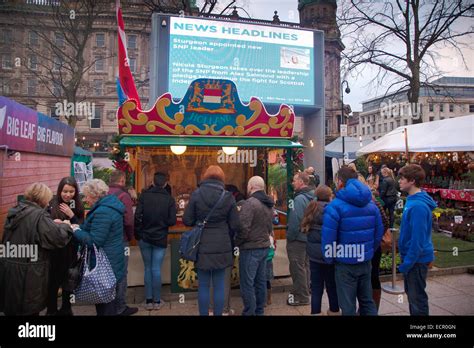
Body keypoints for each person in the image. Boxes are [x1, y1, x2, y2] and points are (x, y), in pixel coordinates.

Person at [0, 183, 72, 316]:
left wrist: (51, 225)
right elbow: (57, 238)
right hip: (29, 274)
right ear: (44, 198)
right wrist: (65, 226)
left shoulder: (16, 210)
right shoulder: (39, 215)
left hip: (10, 269)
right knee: (29, 311)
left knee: (13, 308)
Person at [321, 166, 384, 316]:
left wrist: (330, 259)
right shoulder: (372, 205)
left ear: (340, 181)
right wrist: (368, 251)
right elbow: (378, 233)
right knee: (367, 301)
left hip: (345, 263)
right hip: (365, 260)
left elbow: (328, 238)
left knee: (347, 305)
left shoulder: (335, 206)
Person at [183, 165, 240, 316]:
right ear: (222, 178)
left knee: (203, 285)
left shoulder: (196, 194)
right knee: (219, 285)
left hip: (201, 245)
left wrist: (199, 221)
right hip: (222, 244)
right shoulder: (228, 196)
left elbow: (187, 220)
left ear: (205, 177)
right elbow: (235, 224)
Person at [71, 179, 125, 316]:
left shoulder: (103, 212)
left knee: (105, 305)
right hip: (111, 261)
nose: (85, 199)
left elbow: (94, 241)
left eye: (87, 195)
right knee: (106, 301)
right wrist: (78, 227)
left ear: (95, 195)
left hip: (105, 265)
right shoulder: (108, 207)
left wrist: (75, 231)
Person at [135, 172, 177, 311]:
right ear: (165, 183)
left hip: (145, 237)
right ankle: (157, 301)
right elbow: (172, 221)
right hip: (160, 238)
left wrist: (138, 234)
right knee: (156, 268)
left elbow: (137, 217)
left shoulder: (144, 196)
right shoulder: (169, 199)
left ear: (152, 182)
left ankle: (148, 300)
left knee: (147, 268)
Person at [398, 164, 436, 316]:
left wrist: (407, 263)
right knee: (414, 298)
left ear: (412, 181)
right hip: (413, 259)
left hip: (416, 261)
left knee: (417, 300)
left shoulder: (418, 206)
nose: (399, 181)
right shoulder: (412, 200)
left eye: (402, 178)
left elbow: (418, 240)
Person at [46, 177, 85, 316]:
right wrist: (54, 223)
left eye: (71, 191)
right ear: (59, 190)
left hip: (71, 249)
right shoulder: (51, 203)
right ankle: (51, 310)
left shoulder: (78, 205)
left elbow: (81, 226)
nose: (68, 195)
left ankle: (66, 309)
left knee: (69, 279)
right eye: (65, 191)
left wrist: (72, 215)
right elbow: (44, 225)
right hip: (55, 250)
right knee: (53, 281)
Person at [236, 176, 274, 316]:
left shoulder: (250, 203)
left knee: (247, 283)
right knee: (260, 282)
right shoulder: (269, 204)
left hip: (250, 248)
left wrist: (237, 242)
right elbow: (270, 228)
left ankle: (249, 312)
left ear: (251, 187)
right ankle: (259, 311)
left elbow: (243, 228)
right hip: (264, 247)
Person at [301, 185, 340, 316]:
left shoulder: (311, 208)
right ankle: (334, 310)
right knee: (332, 286)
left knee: (316, 287)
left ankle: (315, 312)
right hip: (330, 253)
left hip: (314, 256)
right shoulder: (333, 209)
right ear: (330, 196)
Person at [108, 170, 138, 316]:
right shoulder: (124, 196)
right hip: (121, 239)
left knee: (108, 272)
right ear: (122, 180)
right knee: (121, 272)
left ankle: (108, 305)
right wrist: (131, 237)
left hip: (106, 240)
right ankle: (120, 307)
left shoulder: (104, 193)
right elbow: (129, 221)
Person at [286, 172, 313, 306]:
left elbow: (295, 221)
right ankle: (304, 291)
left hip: (297, 239)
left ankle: (302, 297)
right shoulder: (312, 196)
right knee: (305, 266)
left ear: (301, 182)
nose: (292, 183)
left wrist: (290, 237)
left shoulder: (298, 199)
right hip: (308, 238)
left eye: (295, 180)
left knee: (297, 267)